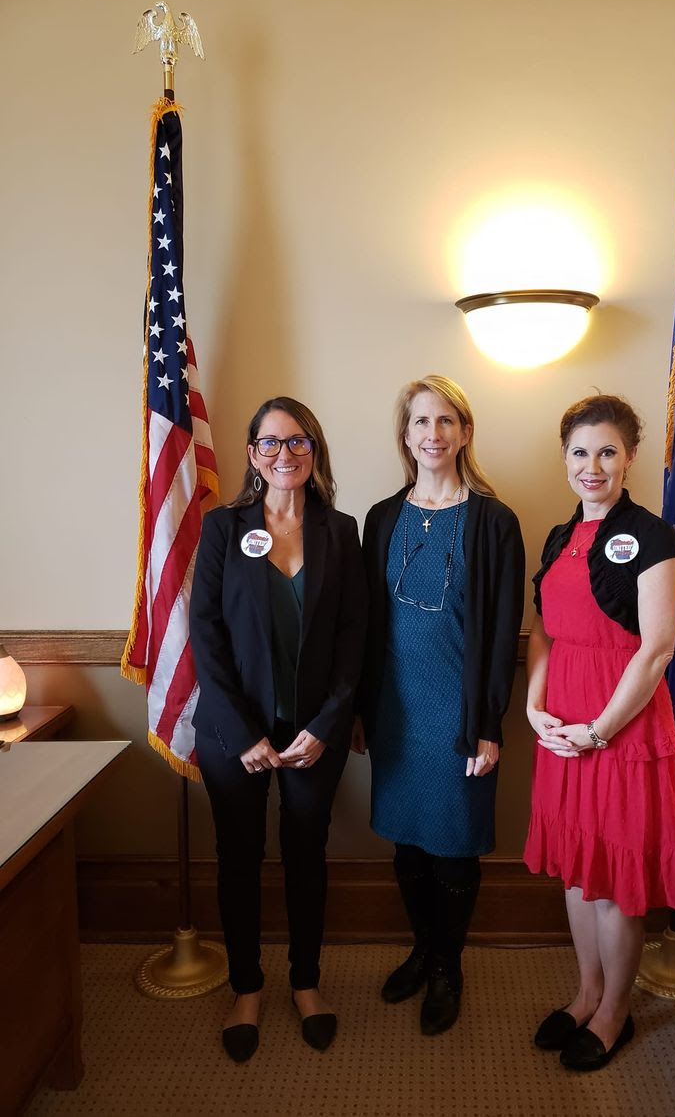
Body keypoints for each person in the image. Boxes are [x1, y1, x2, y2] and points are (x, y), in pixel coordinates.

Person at [190, 396, 366, 1061]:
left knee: (305, 858)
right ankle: (245, 988)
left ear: (313, 452)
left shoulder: (339, 530)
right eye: (269, 443)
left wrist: (327, 724)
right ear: (251, 454)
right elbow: (204, 633)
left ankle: (307, 982)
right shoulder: (221, 528)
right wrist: (240, 733)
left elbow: (354, 638)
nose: (283, 454)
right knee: (238, 860)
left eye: (297, 442)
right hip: (233, 735)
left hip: (311, 737)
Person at [524, 394, 675, 1072]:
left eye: (606, 451)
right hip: (560, 729)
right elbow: (541, 630)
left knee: (617, 877)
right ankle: (586, 992)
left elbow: (655, 649)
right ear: (564, 459)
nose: (591, 466)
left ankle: (615, 1011)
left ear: (629, 457)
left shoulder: (654, 537)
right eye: (579, 452)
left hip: (619, 733)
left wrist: (596, 732)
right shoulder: (559, 537)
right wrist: (534, 708)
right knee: (575, 868)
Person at [354, 374, 525, 1036]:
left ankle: (449, 965)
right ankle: (422, 948)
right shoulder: (381, 518)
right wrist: (363, 710)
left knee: (452, 848)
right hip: (395, 711)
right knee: (406, 844)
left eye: (446, 421)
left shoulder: (493, 521)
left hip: (458, 716)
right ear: (405, 435)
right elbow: (369, 628)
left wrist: (486, 725)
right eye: (421, 422)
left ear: (464, 432)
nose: (433, 434)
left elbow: (503, 629)